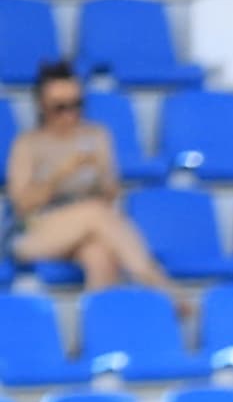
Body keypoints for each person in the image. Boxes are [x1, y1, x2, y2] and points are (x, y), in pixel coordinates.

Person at [11, 60, 166, 292]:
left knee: (99, 254)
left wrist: (101, 175)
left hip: (86, 227)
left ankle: (102, 326)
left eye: (77, 105)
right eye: (60, 107)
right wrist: (62, 173)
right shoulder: (27, 144)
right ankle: (157, 284)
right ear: (42, 106)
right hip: (34, 232)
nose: (70, 115)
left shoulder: (96, 136)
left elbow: (111, 194)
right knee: (93, 212)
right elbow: (22, 206)